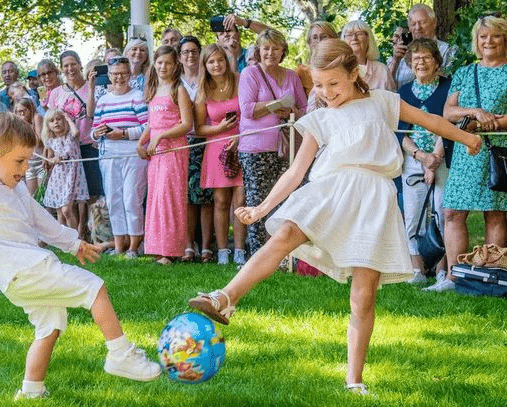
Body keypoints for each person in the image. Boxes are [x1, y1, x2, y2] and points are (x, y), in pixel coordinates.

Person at [188, 39, 481, 395]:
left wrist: (465, 137)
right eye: (320, 85)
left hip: (373, 197)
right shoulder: (320, 119)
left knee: (363, 296)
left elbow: (431, 120)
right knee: (284, 235)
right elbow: (296, 173)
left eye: (333, 84)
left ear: (353, 73)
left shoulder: (383, 102)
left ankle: (354, 381)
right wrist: (262, 208)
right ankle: (225, 297)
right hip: (329, 189)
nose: (326, 93)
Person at [0, 112, 161, 400]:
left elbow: (41, 220)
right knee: (94, 288)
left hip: (20, 276)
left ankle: (30, 392)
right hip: (26, 270)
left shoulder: (13, 185)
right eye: (19, 161)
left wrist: (74, 245)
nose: (25, 169)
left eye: (27, 161)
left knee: (49, 327)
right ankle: (120, 354)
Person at [424, 14, 507, 292]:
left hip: (497, 150)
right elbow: (448, 112)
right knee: (452, 213)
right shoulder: (465, 72)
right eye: (483, 37)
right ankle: (453, 276)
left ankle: (489, 276)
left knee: (493, 213)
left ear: (504, 38)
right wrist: (475, 113)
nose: (488, 41)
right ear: (476, 41)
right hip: (465, 150)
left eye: (495, 35)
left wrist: (488, 120)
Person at [238, 29, 307, 258]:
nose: (270, 53)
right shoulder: (249, 74)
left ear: (283, 51)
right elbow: (247, 110)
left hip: (286, 148)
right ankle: (258, 256)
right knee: (258, 201)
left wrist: (292, 111)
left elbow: (305, 109)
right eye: (266, 48)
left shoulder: (291, 76)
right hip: (256, 148)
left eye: (276, 48)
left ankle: (282, 255)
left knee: (285, 200)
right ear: (258, 51)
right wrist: (275, 104)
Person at [397, 39, 450, 284]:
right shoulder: (404, 93)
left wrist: (434, 159)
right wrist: (420, 156)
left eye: (427, 57)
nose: (421, 62)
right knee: (413, 215)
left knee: (441, 212)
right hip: (413, 160)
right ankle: (417, 270)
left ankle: (441, 271)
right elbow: (400, 133)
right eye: (416, 58)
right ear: (410, 62)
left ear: (436, 61)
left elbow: (448, 125)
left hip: (442, 160)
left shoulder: (447, 88)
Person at [137, 46, 193, 265]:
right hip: (156, 153)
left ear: (175, 65)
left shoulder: (179, 89)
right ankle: (157, 247)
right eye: (160, 62)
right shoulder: (153, 89)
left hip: (174, 150)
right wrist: (142, 142)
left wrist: (160, 138)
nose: (163, 67)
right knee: (156, 198)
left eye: (168, 63)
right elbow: (153, 123)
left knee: (170, 198)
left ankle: (171, 250)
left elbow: (187, 124)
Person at [91, 56, 149, 257]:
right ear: (109, 75)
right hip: (108, 154)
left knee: (132, 198)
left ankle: (133, 246)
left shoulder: (138, 96)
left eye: (123, 73)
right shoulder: (103, 101)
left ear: (129, 74)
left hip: (132, 153)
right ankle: (118, 245)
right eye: (115, 74)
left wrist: (123, 133)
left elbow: (146, 127)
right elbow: (93, 130)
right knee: (114, 199)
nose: (119, 78)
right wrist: (97, 133)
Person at [194, 44, 247, 265]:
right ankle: (223, 250)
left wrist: (239, 136)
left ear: (226, 61)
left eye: (220, 60)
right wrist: (220, 129)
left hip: (243, 141)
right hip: (217, 147)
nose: (217, 65)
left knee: (241, 199)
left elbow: (250, 112)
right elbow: (198, 129)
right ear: (205, 65)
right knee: (221, 201)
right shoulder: (203, 90)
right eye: (211, 62)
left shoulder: (240, 80)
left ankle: (240, 250)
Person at [48, 50, 105, 240]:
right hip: (64, 150)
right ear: (61, 69)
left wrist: (90, 86)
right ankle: (73, 234)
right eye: (66, 66)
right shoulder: (56, 93)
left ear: (80, 64)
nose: (70, 68)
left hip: (86, 144)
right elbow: (50, 123)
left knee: (89, 193)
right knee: (67, 195)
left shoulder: (91, 87)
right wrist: (49, 153)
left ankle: (91, 232)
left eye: (73, 64)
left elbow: (90, 114)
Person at [178, 35, 214, 263]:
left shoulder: (208, 79)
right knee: (187, 197)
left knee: (207, 195)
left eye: (194, 51)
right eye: (185, 52)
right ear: (179, 56)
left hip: (207, 140)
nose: (190, 55)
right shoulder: (175, 81)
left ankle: (207, 246)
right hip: (183, 142)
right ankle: (189, 244)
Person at [386, 4, 458, 88]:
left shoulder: (448, 51)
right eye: (413, 24)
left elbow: (450, 85)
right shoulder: (401, 52)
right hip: (399, 100)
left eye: (423, 22)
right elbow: (385, 87)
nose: (418, 28)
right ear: (409, 27)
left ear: (434, 23)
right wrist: (395, 60)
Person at [41, 109, 89, 229]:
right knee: (60, 211)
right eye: (52, 121)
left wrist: (67, 118)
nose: (56, 123)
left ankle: (75, 237)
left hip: (72, 175)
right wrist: (50, 160)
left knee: (67, 209)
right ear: (48, 125)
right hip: (59, 177)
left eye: (59, 119)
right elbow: (50, 158)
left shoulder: (70, 136)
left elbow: (76, 132)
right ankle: (64, 240)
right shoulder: (51, 141)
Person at [341, 20, 396, 91]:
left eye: (359, 34)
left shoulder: (382, 70)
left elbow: (393, 100)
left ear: (368, 39)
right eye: (349, 35)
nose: (354, 38)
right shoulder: (338, 70)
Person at [296, 21, 339, 99]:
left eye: (324, 37)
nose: (319, 41)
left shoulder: (343, 67)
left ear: (334, 39)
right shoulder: (301, 72)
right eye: (315, 38)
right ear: (309, 43)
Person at [14, 97, 44, 196]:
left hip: (41, 161)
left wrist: (26, 125)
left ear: (30, 109)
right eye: (19, 112)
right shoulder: (18, 124)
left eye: (24, 111)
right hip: (29, 163)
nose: (22, 114)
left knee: (43, 195)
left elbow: (37, 141)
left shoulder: (37, 118)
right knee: (33, 196)